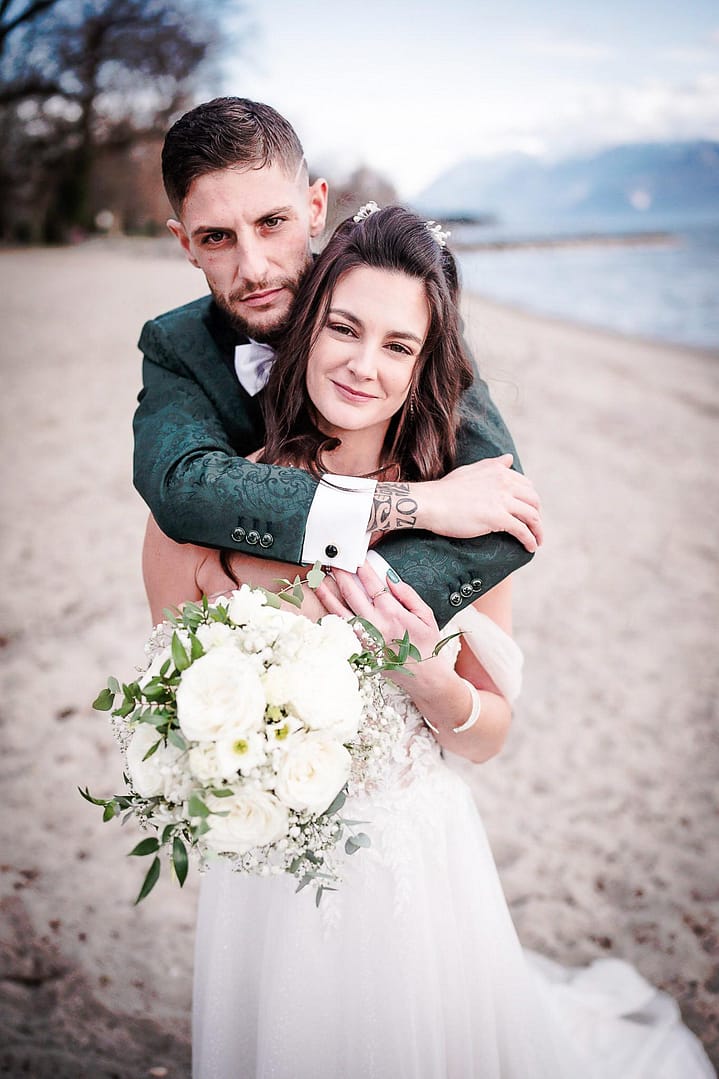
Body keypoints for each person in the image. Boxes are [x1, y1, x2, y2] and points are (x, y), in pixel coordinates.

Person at [144, 206, 714, 1078]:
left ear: (424, 368)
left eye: (398, 346)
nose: (363, 365)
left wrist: (423, 678)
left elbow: (488, 732)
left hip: (415, 865)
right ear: (306, 327)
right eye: (342, 327)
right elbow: (172, 701)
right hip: (261, 867)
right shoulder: (220, 502)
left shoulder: (468, 517)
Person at [134, 97, 543, 631]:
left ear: (315, 207)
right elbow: (184, 492)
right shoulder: (178, 344)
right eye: (217, 237)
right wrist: (419, 504)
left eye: (272, 223)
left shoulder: (398, 305)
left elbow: (503, 508)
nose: (253, 268)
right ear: (185, 243)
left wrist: (343, 618)